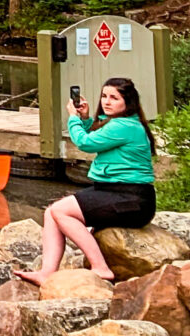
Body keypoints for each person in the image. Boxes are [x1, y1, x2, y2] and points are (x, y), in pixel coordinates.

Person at [16, 76, 156, 286]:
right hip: (117, 193)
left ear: (128, 102)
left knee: (61, 211)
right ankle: (46, 273)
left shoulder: (124, 126)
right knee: (51, 212)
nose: (107, 101)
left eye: (114, 98)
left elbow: (85, 143)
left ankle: (101, 267)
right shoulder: (122, 124)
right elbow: (100, 134)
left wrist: (73, 118)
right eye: (104, 96)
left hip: (131, 198)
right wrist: (86, 119)